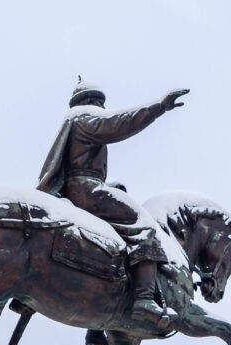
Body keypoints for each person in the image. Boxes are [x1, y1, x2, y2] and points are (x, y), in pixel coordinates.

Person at [37, 81, 189, 324]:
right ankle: (144, 298)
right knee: (142, 225)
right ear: (94, 102)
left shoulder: (70, 122)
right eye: (101, 104)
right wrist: (158, 107)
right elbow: (118, 124)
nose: (103, 108)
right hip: (86, 189)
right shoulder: (84, 116)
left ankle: (98, 325)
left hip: (78, 188)